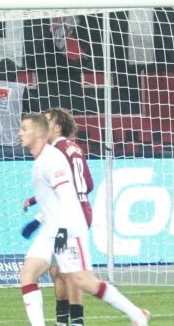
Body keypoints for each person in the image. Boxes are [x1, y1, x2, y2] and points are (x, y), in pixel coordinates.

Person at [16, 113, 147, 326]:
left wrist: (62, 230)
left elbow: (68, 195)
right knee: (28, 274)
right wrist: (38, 220)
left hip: (69, 227)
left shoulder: (53, 157)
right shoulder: (41, 159)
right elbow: (52, 198)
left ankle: (136, 314)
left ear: (39, 132)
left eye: (24, 128)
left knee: (82, 280)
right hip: (51, 228)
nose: (19, 132)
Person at [41, 108, 96, 326]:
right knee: (57, 269)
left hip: (70, 213)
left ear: (58, 126)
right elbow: (88, 184)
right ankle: (63, 321)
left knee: (69, 271)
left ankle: (76, 321)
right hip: (80, 208)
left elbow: (65, 185)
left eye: (47, 121)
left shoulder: (56, 152)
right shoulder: (74, 148)